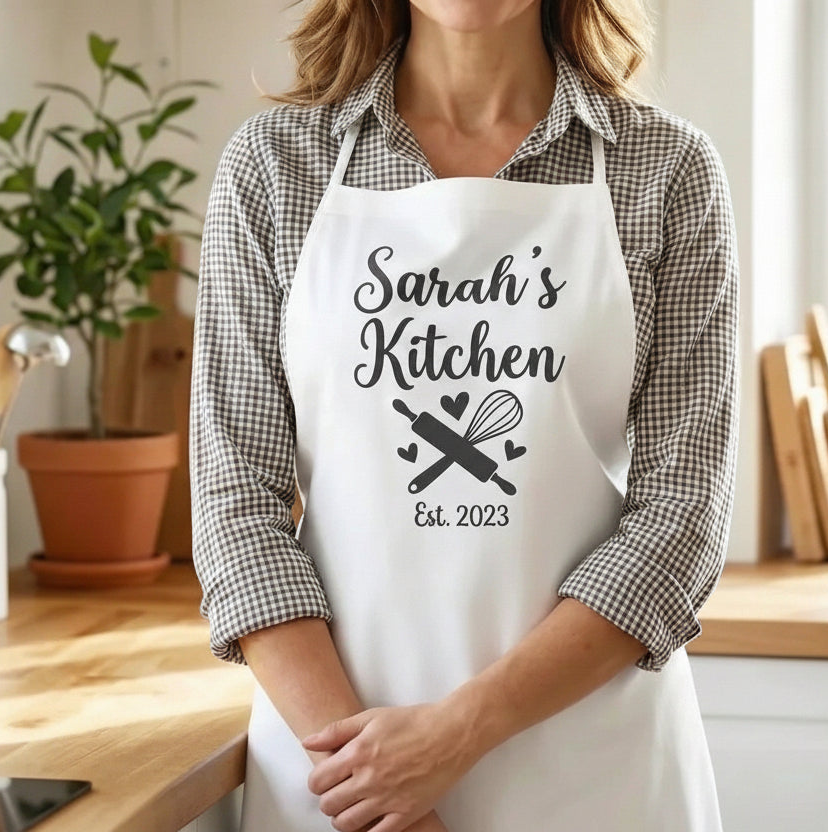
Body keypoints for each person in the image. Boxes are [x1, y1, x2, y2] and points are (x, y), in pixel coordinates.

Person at [190, 1, 739, 830]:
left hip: (594, 775)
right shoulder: (275, 166)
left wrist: (455, 735)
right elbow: (236, 511)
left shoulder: (665, 169)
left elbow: (682, 517)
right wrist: (381, 795)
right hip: (339, 777)